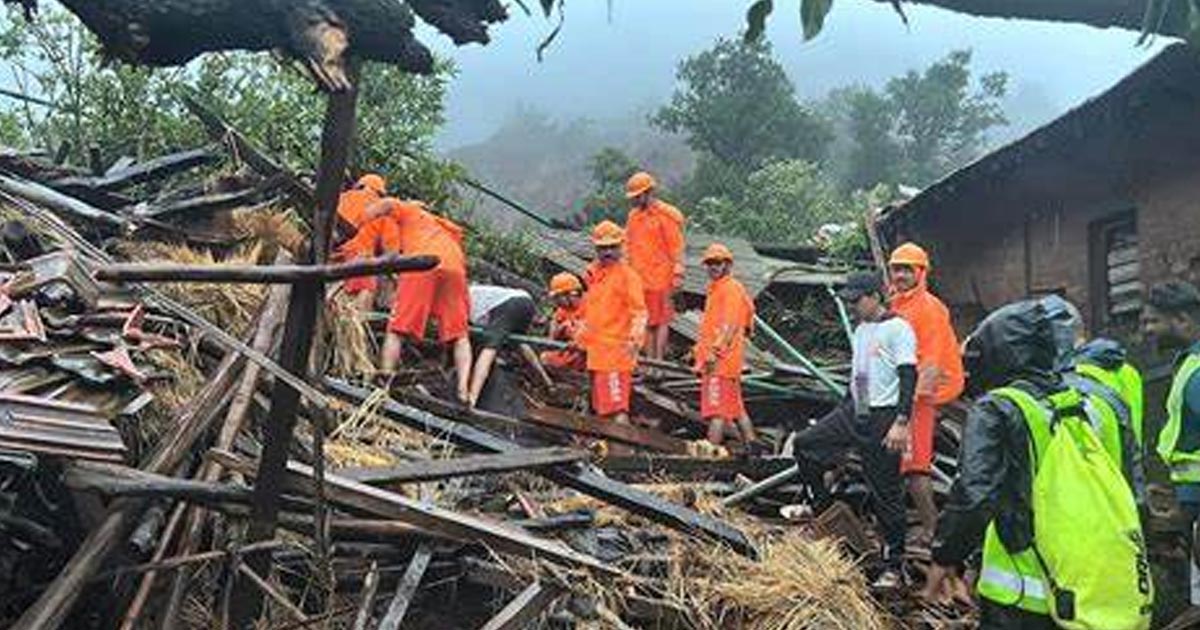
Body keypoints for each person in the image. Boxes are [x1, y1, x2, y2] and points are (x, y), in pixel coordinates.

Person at [922, 299, 1150, 629]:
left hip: (1022, 591)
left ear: (998, 354)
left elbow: (974, 493)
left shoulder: (998, 408)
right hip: (1092, 581)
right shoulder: (1097, 403)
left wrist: (946, 557)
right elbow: (1132, 491)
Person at [792, 271, 915, 589]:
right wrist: (842, 412)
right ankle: (823, 508)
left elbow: (908, 376)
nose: (853, 307)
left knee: (885, 491)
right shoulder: (862, 330)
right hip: (856, 409)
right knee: (805, 443)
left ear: (875, 296)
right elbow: (860, 375)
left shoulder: (898, 329)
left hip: (883, 416)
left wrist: (902, 422)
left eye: (857, 300)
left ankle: (893, 565)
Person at [888, 242, 965, 550]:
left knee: (914, 466)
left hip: (921, 394)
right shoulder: (897, 304)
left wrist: (910, 405)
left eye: (908, 269)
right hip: (902, 390)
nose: (901, 274)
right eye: (897, 268)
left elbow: (930, 361)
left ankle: (933, 531)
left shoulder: (929, 308)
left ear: (921, 273)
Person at [361, 197, 472, 403]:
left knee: (397, 328)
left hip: (423, 263)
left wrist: (363, 218)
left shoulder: (411, 211)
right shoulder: (445, 228)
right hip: (455, 269)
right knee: (460, 335)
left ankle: (384, 381)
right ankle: (464, 391)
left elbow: (386, 204)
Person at [1144, 280, 1200, 606]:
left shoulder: (1196, 372)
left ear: (1182, 320)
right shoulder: (1187, 364)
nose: (1148, 330)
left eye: (1154, 320)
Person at [576, 220, 647, 425]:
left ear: (621, 246)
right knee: (602, 409)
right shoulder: (595, 277)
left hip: (616, 353)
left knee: (616, 409)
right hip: (596, 354)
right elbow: (591, 315)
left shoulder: (627, 276)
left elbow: (639, 313)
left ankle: (622, 455)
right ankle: (608, 453)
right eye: (603, 248)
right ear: (596, 249)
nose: (607, 252)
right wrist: (580, 339)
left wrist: (634, 342)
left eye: (612, 247)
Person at [694, 243, 757, 446]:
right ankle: (754, 449)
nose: (713, 267)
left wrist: (715, 352)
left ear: (727, 265)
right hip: (727, 361)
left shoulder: (730, 288)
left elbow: (730, 324)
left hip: (720, 363)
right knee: (737, 411)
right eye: (710, 263)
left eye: (717, 263)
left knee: (717, 412)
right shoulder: (722, 288)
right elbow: (748, 314)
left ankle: (708, 460)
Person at [624, 171, 685, 360]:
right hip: (640, 279)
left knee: (662, 321)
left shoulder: (666, 215)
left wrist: (678, 274)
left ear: (648, 192)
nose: (634, 200)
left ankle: (658, 363)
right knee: (647, 322)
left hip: (662, 278)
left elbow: (676, 247)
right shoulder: (633, 217)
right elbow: (628, 245)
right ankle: (650, 363)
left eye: (637, 196)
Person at [466, 285, 547, 409]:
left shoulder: (461, 299)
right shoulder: (472, 294)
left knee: (489, 350)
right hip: (525, 301)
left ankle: (473, 399)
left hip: (509, 305)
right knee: (520, 342)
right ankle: (547, 380)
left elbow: (485, 349)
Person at [335, 173, 388, 309]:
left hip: (330, 253)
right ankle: (357, 322)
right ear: (380, 192)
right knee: (368, 285)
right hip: (357, 259)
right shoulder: (380, 208)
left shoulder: (341, 197)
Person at [541, 272, 586, 371]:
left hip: (594, 353)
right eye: (555, 298)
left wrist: (574, 330)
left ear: (571, 294)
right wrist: (560, 328)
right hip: (571, 352)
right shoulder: (561, 311)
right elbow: (552, 339)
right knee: (545, 358)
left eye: (558, 297)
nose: (557, 301)